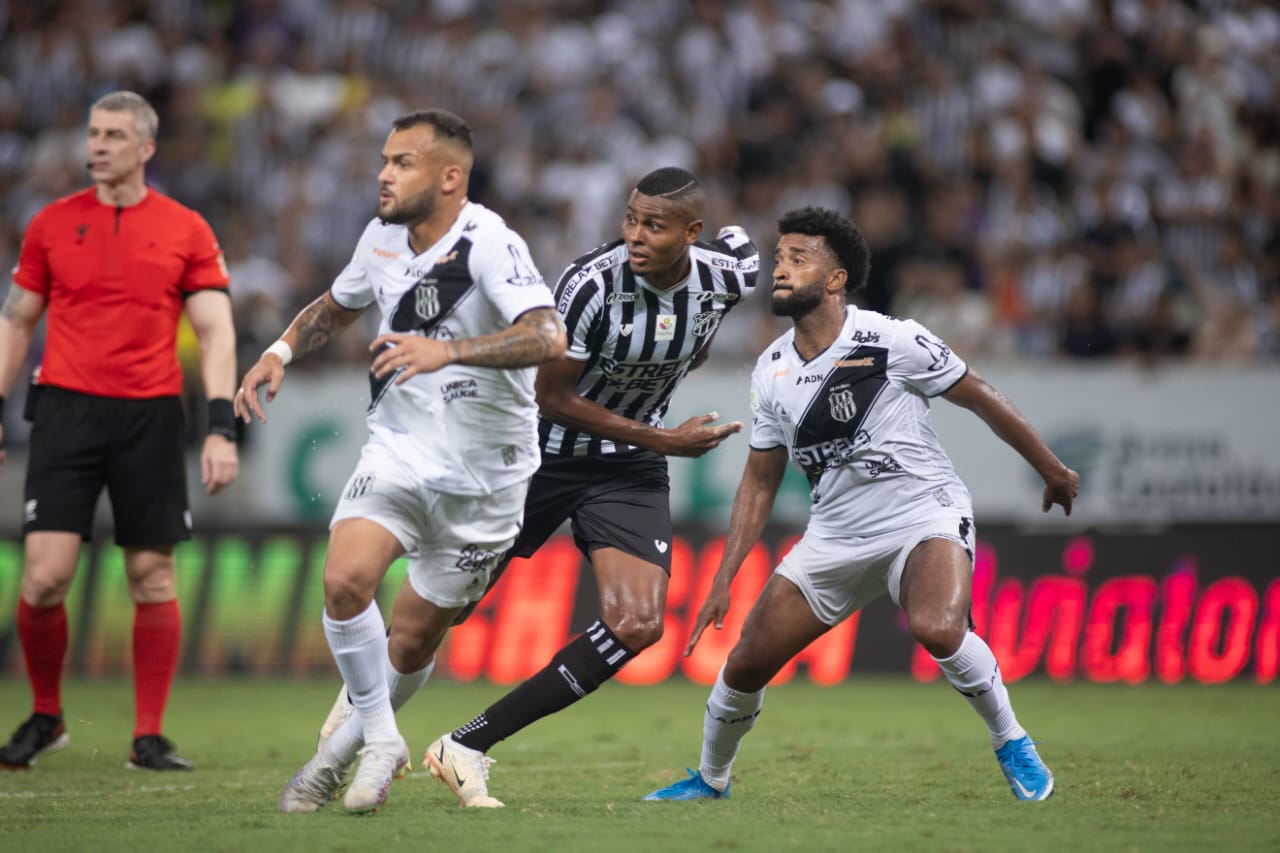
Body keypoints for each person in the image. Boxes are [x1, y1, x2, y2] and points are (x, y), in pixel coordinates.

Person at [643, 207, 1078, 804]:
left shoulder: (892, 339)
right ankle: (710, 779)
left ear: (837, 277)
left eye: (800, 258)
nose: (782, 268)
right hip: (836, 537)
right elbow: (760, 480)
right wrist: (724, 577)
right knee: (744, 662)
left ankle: (1012, 741)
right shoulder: (771, 370)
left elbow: (980, 396)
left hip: (923, 513)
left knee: (937, 626)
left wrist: (1051, 469)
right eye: (779, 258)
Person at [234, 109, 567, 815]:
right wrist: (280, 351)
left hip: (490, 476)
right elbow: (338, 304)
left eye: (403, 162)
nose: (384, 173)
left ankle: (334, 753)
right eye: (384, 159)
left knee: (412, 637)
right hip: (399, 450)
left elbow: (547, 333)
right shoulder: (381, 239)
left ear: (450, 176)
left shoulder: (489, 244)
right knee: (346, 580)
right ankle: (380, 740)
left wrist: (449, 350)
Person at [403, 165, 760, 808]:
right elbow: (553, 396)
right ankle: (359, 726)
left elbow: (745, 254)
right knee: (446, 609)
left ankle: (467, 745)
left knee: (638, 624)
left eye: (654, 224)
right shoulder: (589, 285)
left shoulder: (726, 275)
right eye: (630, 219)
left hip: (627, 469)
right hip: (541, 457)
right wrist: (665, 439)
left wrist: (680, 363)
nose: (635, 235)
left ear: (692, 233)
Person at [0, 91, 240, 772]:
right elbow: (17, 320)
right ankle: (47, 716)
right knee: (44, 577)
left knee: (151, 575)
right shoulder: (49, 224)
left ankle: (148, 736)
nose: (97, 145)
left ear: (145, 148)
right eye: (93, 132)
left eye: (112, 134)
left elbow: (216, 329)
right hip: (65, 411)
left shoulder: (185, 228)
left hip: (150, 415)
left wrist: (220, 427)